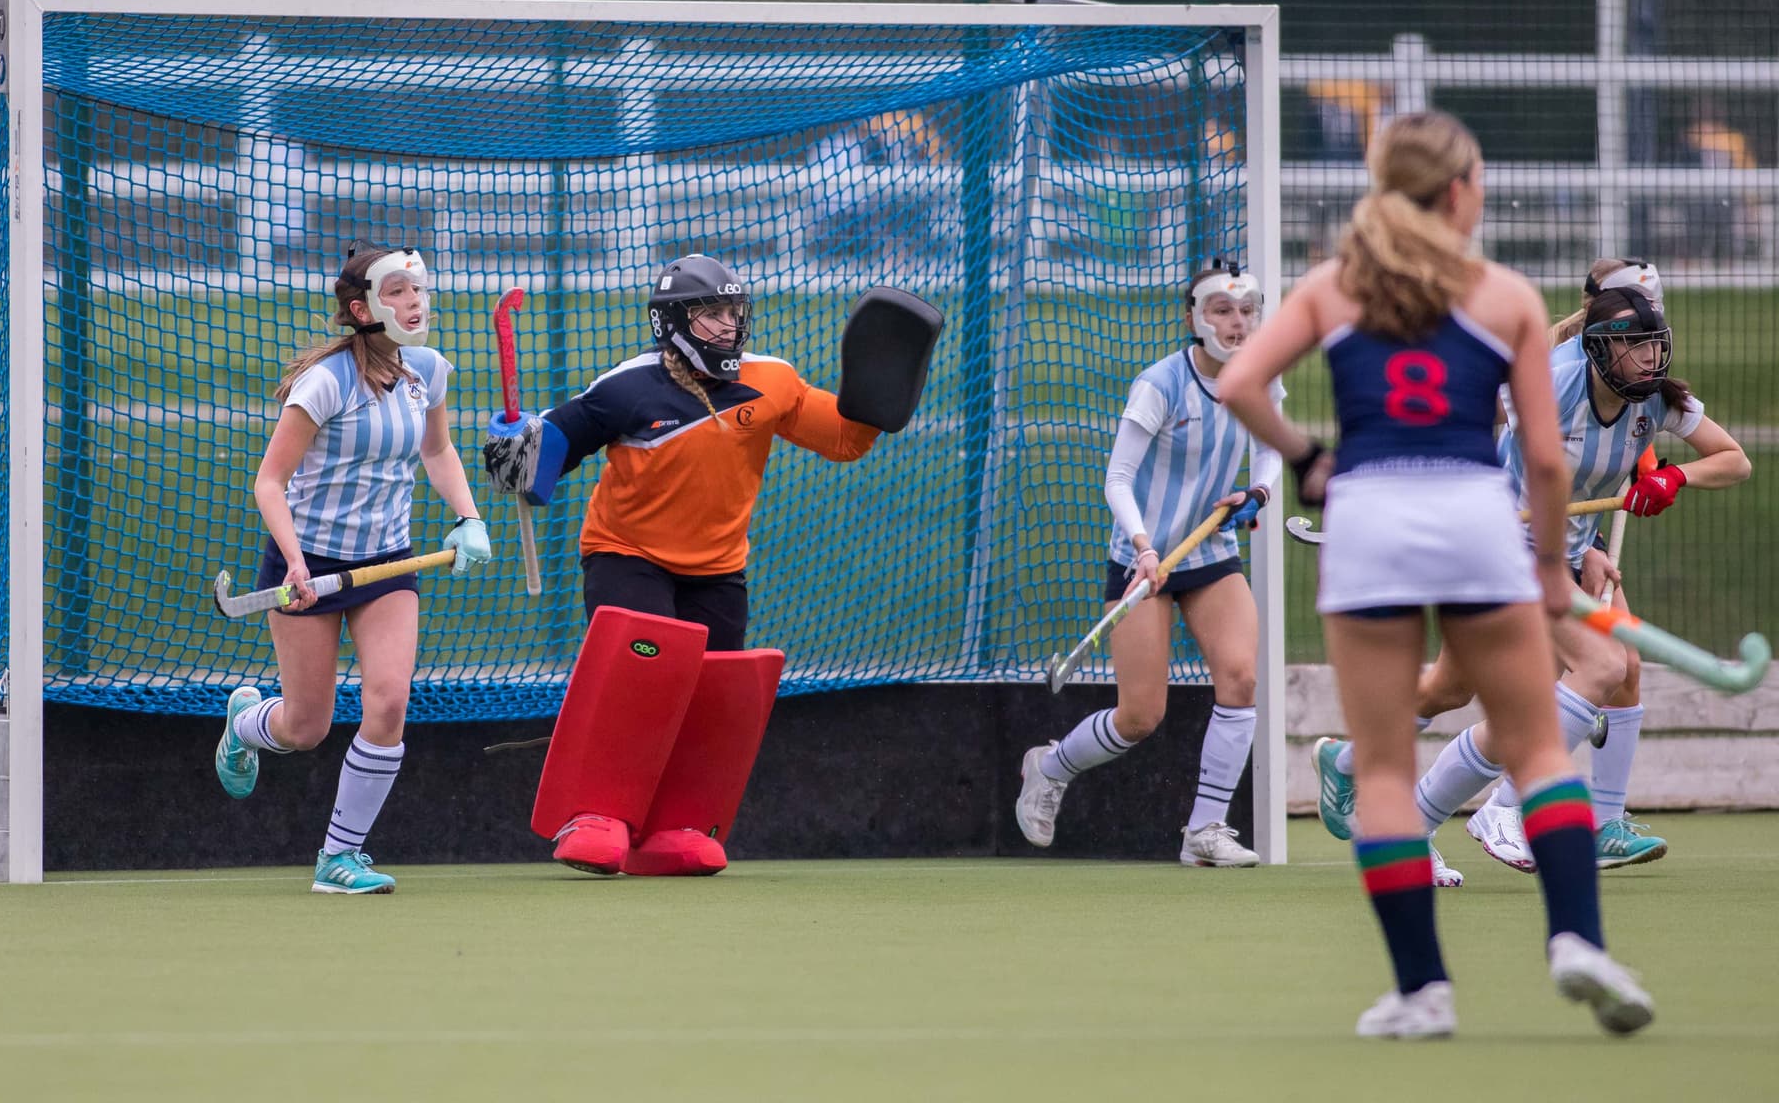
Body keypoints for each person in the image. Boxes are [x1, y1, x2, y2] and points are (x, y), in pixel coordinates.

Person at [1216, 111, 1653, 1038]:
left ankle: (1423, 990)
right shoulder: (1504, 296)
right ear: (1457, 193)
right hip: (1472, 514)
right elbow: (1542, 456)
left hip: (1370, 517)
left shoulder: (1335, 286)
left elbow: (1239, 383)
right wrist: (1544, 567)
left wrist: (1308, 460)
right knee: (1536, 747)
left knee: (1381, 769)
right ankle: (1577, 940)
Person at [484, 254, 933, 878]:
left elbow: (844, 440)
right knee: (641, 682)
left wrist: (876, 389)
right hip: (627, 555)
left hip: (718, 568)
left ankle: (674, 827)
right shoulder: (626, 387)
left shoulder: (773, 380)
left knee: (710, 697)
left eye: (733, 312)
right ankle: (594, 817)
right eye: (709, 314)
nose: (727, 326)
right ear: (672, 322)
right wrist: (516, 453)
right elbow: (546, 459)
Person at [1315, 258, 1751, 875]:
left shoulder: (1654, 398)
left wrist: (1676, 475)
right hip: (1496, 548)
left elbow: (1734, 461)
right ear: (1600, 350)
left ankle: (1382, 795)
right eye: (1635, 348)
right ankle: (1507, 808)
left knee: (1460, 689)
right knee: (1600, 665)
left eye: (1656, 347)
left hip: (1559, 554)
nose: (1650, 361)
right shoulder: (1548, 382)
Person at [211, 241, 492, 894]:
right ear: (363, 308)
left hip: (388, 562)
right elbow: (269, 483)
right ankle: (246, 724)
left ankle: (340, 858)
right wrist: (296, 562)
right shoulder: (326, 383)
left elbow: (439, 449)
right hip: (307, 561)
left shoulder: (428, 372)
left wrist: (469, 516)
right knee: (306, 728)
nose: (414, 302)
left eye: (416, 289)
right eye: (397, 292)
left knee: (389, 700)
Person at [1013, 261, 1279, 868]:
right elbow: (1118, 477)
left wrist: (1256, 495)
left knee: (1240, 678)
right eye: (1221, 311)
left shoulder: (1261, 375)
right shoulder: (1160, 384)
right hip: (1144, 563)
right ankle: (1048, 767)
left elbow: (1270, 447)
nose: (1236, 323)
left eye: (1245, 311)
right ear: (1193, 317)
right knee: (1140, 715)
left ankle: (1205, 831)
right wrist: (1143, 546)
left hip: (1211, 552)